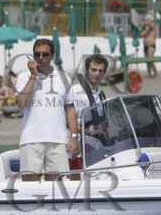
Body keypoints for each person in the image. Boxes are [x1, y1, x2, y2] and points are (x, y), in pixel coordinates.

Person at [11, 38, 70, 181]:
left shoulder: (63, 77)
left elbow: (70, 109)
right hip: (31, 138)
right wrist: (33, 76)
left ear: (52, 56)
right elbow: (21, 103)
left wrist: (74, 137)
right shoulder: (24, 76)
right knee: (30, 188)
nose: (41, 58)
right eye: (37, 55)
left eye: (45, 54)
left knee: (57, 188)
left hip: (57, 138)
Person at [67, 54, 111, 167]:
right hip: (78, 146)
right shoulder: (76, 91)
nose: (97, 74)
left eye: (101, 71)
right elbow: (68, 121)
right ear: (86, 70)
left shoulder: (100, 93)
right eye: (94, 70)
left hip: (96, 146)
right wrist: (89, 133)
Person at [141, 14, 159, 78]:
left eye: (148, 20)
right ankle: (149, 74)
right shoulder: (146, 28)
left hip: (151, 45)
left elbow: (151, 26)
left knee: (150, 60)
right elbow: (141, 34)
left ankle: (156, 73)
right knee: (147, 61)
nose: (146, 21)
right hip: (145, 45)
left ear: (151, 20)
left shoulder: (153, 26)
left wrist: (145, 23)